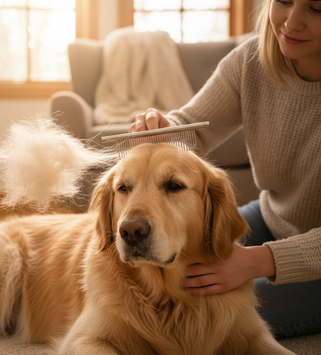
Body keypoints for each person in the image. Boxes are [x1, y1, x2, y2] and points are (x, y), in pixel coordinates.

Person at [129, 0, 321, 339]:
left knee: (212, 312)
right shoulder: (251, 60)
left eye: (316, 9)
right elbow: (193, 127)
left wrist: (259, 261)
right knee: (167, 283)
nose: (291, 23)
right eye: (285, 2)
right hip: (273, 219)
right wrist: (164, 130)